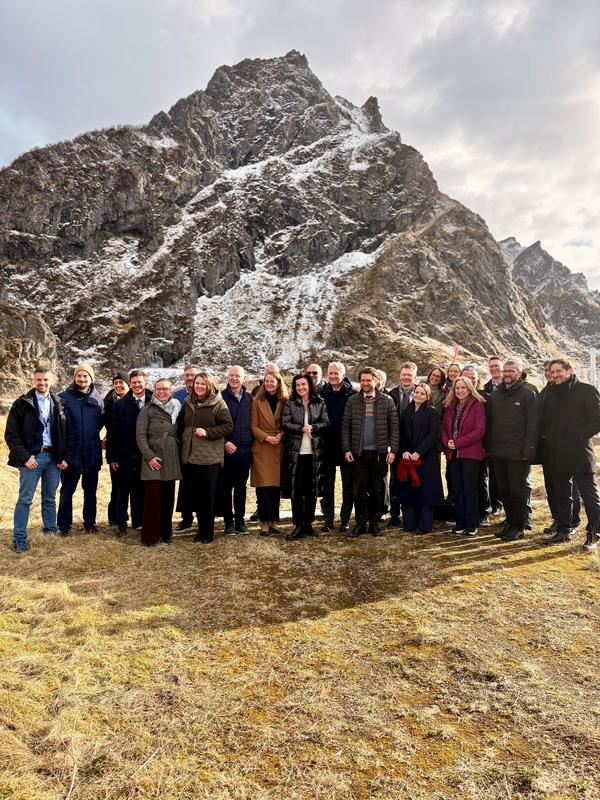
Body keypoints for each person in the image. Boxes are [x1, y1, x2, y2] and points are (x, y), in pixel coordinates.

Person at [5, 367, 71, 552]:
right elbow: (11, 435)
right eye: (39, 380)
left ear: (52, 381)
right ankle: (19, 538)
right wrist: (25, 457)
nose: (42, 383)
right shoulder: (22, 403)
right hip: (32, 458)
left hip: (53, 459)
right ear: (34, 381)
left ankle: (50, 531)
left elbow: (67, 433)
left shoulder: (59, 403)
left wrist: (63, 457)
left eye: (45, 380)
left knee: (49, 498)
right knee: (25, 499)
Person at [538, 358, 600, 551]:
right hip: (556, 452)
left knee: (589, 495)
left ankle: (594, 533)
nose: (555, 375)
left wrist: (579, 435)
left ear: (569, 371)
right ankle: (564, 530)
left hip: (580, 452)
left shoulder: (586, 390)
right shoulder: (549, 392)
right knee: (562, 495)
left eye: (558, 371)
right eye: (552, 372)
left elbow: (597, 419)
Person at [342, 367, 399, 537]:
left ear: (376, 381)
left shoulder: (387, 401)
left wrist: (393, 450)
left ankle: (374, 522)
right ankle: (360, 523)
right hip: (358, 453)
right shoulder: (352, 401)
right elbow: (345, 427)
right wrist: (346, 449)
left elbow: (394, 427)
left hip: (379, 453)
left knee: (378, 489)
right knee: (358, 489)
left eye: (369, 380)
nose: (366, 383)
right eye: (363, 380)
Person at [486, 359, 538, 541]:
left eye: (511, 370)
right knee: (504, 489)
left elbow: (533, 426)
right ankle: (510, 521)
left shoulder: (527, 394)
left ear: (519, 372)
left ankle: (519, 525)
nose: (507, 373)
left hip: (518, 453)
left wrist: (529, 451)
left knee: (517, 490)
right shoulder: (496, 394)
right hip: (498, 452)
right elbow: (490, 424)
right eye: (505, 371)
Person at [180, 372, 233, 544]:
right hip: (191, 457)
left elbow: (228, 426)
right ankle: (200, 531)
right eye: (197, 383)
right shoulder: (188, 402)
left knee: (207, 499)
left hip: (209, 459)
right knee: (196, 497)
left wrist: (208, 432)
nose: (199, 386)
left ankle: (207, 533)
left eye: (203, 384)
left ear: (209, 385)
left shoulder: (218, 403)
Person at [282, 374, 330, 540]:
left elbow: (326, 423)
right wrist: (301, 428)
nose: (301, 388)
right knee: (297, 490)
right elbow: (285, 423)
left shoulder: (320, 402)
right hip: (296, 454)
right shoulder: (290, 403)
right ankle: (298, 525)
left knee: (312, 490)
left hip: (314, 454)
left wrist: (314, 427)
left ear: (309, 385)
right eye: (298, 385)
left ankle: (308, 524)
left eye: (304, 384)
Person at [57, 364, 104, 535]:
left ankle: (89, 523)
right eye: (79, 376)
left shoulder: (98, 399)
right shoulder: (63, 398)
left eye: (86, 376)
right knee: (67, 492)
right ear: (75, 377)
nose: (82, 379)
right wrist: (61, 455)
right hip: (71, 455)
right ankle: (64, 526)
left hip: (92, 453)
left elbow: (101, 424)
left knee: (90, 492)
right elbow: (59, 429)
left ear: (91, 379)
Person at [106, 370, 152, 536]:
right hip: (124, 454)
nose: (137, 385)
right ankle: (121, 523)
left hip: (146, 455)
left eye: (140, 382)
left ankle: (138, 521)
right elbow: (112, 432)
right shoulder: (120, 404)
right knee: (121, 490)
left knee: (140, 490)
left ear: (145, 383)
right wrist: (112, 457)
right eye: (134, 382)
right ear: (130, 384)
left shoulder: (153, 401)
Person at [136, 379, 182, 546]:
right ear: (154, 391)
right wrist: (149, 457)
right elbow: (140, 436)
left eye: (166, 389)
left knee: (168, 499)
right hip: (153, 458)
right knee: (153, 499)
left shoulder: (177, 407)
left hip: (170, 457)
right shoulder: (147, 410)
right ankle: (151, 537)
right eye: (159, 389)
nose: (162, 392)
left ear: (171, 391)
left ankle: (166, 533)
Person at [396, 383, 444, 533]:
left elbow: (433, 435)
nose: (418, 395)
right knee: (408, 491)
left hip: (425, 458)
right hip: (407, 457)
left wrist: (418, 452)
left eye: (422, 393)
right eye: (417, 392)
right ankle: (409, 523)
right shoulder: (406, 411)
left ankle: (425, 525)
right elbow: (401, 433)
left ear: (427, 396)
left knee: (425, 491)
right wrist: (404, 450)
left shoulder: (432, 412)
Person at [441, 377, 486, 536]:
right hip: (453, 454)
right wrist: (448, 442)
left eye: (463, 388)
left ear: (469, 389)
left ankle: (471, 524)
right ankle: (460, 523)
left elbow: (479, 431)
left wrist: (458, 443)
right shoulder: (450, 406)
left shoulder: (477, 405)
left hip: (470, 454)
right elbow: (444, 429)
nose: (460, 390)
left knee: (469, 490)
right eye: (457, 388)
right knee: (457, 490)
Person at [250, 371, 289, 536]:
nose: (269, 384)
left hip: (278, 446)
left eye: (272, 381)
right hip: (262, 447)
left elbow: (288, 422)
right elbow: (253, 426)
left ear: (278, 383)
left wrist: (281, 434)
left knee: (275, 487)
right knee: (263, 488)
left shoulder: (285, 401)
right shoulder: (257, 401)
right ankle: (264, 522)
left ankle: (273, 521)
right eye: (266, 381)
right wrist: (266, 437)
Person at [320, 361, 357, 532]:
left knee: (348, 485)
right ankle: (328, 519)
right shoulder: (321, 394)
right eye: (331, 373)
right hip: (326, 446)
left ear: (343, 375)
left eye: (337, 373)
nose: (333, 376)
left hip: (347, 447)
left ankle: (345, 519)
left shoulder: (352, 394)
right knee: (328, 485)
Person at [221, 366, 253, 535]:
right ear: (228, 377)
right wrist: (224, 442)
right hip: (228, 450)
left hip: (245, 450)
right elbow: (214, 424)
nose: (234, 378)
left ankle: (240, 521)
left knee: (241, 487)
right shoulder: (220, 397)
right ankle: (228, 523)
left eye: (237, 376)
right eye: (231, 375)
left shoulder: (250, 398)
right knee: (226, 488)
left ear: (244, 378)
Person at [387, 361, 419, 528]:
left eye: (410, 375)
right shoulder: (391, 394)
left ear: (414, 377)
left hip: (415, 446)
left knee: (415, 479)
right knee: (395, 481)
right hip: (397, 444)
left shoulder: (421, 393)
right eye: (404, 375)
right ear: (400, 376)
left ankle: (415, 513)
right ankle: (394, 514)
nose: (406, 378)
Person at [173, 364, 201, 531]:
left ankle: (202, 516)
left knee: (201, 482)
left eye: (193, 375)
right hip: (183, 445)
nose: (190, 378)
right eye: (187, 375)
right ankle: (186, 518)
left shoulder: (207, 394)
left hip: (201, 446)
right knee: (186, 484)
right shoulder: (178, 396)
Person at [103, 371, 130, 525]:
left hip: (134, 449)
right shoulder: (108, 402)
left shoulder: (136, 400)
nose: (119, 386)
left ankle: (136, 518)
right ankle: (116, 518)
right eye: (116, 383)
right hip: (116, 449)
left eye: (122, 383)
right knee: (117, 487)